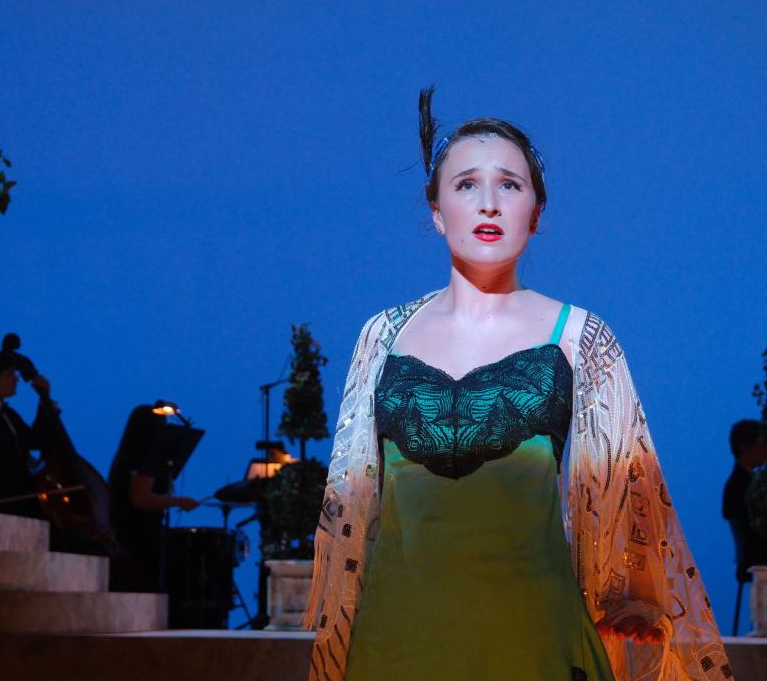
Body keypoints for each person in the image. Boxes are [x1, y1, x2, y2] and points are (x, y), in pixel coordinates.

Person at [302, 90, 730, 681]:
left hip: (534, 639)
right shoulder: (382, 337)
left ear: (536, 212)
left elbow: (634, 496)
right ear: (435, 212)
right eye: (465, 185)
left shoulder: (582, 339)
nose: (489, 203)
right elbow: (351, 506)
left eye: (509, 185)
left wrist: (632, 596)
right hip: (395, 638)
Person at [106, 405, 200, 592]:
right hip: (139, 536)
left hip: (124, 532)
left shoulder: (128, 457)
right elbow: (140, 498)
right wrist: (179, 501)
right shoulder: (145, 459)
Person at [0, 349, 51, 519]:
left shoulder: (9, 414)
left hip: (18, 500)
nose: (16, 379)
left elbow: (35, 440)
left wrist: (45, 402)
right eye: (9, 374)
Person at [722, 419, 767, 580]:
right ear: (745, 447)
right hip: (759, 559)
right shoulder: (740, 484)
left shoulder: (744, 480)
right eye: (762, 445)